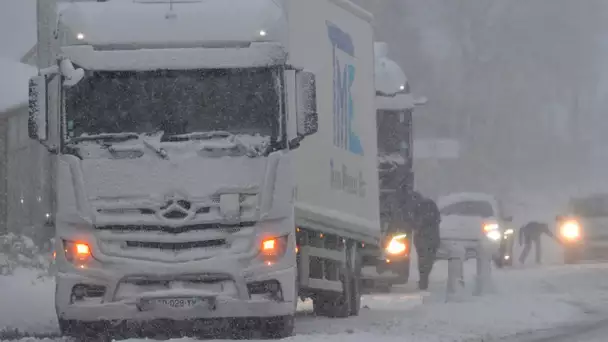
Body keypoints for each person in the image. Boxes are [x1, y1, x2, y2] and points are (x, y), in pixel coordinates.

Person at [412, 195, 441, 290]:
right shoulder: (431, 206)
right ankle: (425, 278)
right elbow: (438, 219)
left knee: (422, 259)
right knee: (429, 259)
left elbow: (414, 222)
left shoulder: (417, 207)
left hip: (422, 237)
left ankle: (423, 279)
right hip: (432, 237)